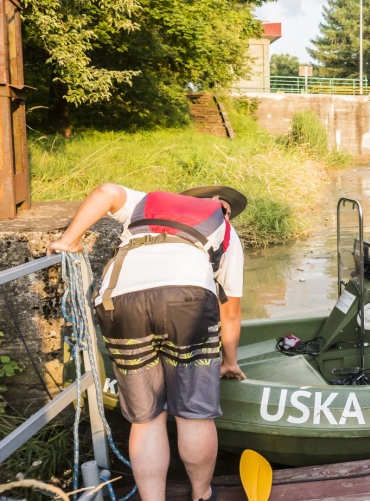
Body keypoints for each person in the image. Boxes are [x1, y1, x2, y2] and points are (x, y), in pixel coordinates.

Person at [47, 183, 247, 501]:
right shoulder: (227, 232)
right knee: (194, 413)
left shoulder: (147, 202)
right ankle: (202, 495)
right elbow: (231, 312)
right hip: (188, 300)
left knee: (146, 418)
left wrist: (68, 240)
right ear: (219, 207)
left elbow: (106, 192)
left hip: (120, 300)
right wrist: (230, 361)